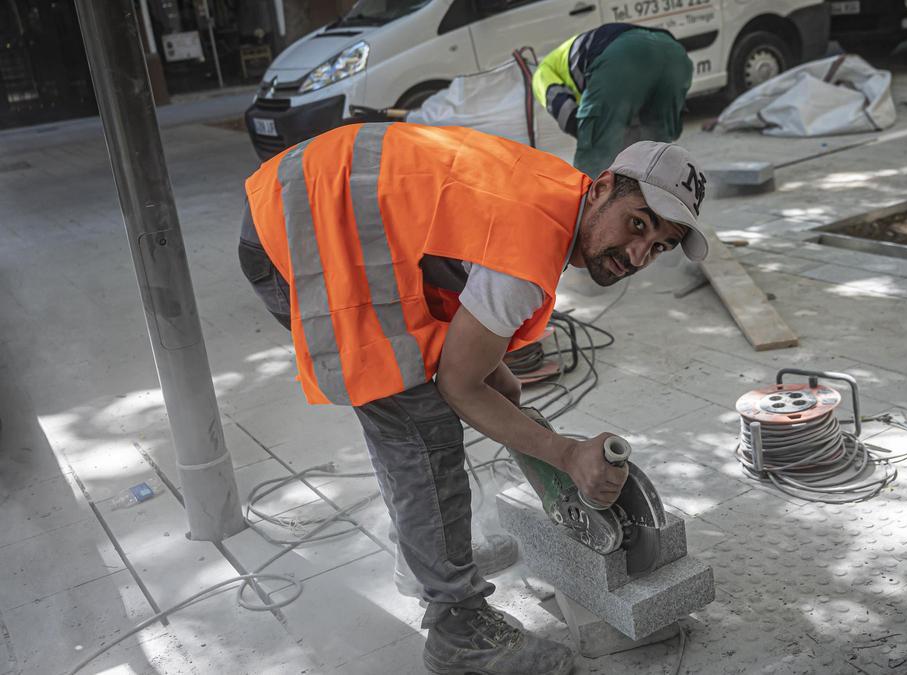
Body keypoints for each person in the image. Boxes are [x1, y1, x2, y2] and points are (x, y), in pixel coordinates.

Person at [238, 122, 708, 675]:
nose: (636, 254)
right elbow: (458, 386)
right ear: (603, 187)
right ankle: (456, 625)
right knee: (419, 420)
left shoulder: (559, 195)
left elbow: (473, 342)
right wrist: (564, 454)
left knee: (448, 394)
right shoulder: (527, 252)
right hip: (300, 224)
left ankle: (425, 560)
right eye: (637, 224)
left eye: (659, 246)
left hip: (319, 198)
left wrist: (502, 390)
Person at [534, 23, 693, 178]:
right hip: (675, 54)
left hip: (622, 55)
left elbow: (567, 114)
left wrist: (598, 137)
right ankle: (664, 195)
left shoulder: (541, 73)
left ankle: (589, 202)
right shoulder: (573, 52)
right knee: (656, 146)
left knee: (595, 155)